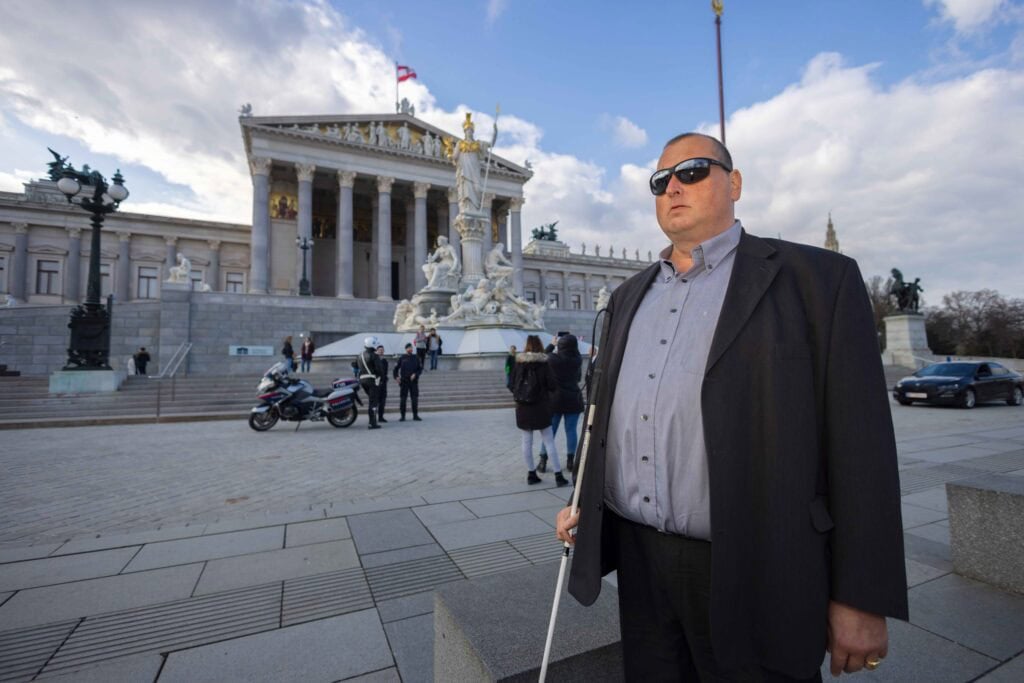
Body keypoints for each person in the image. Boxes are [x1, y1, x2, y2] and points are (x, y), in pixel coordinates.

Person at [555, 132, 907, 680]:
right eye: (660, 181)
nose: (673, 186)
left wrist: (861, 596)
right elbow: (606, 416)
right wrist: (586, 498)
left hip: (758, 563)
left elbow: (862, 450)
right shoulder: (627, 297)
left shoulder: (817, 281)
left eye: (692, 171)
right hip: (641, 565)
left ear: (734, 182)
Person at [510, 335, 567, 487]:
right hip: (541, 406)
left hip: (523, 407)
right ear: (540, 345)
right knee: (549, 441)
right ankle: (558, 475)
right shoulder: (544, 363)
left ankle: (531, 474)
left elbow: (510, 384)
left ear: (527, 346)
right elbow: (552, 385)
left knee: (526, 441)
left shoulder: (519, 363)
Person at [546, 333, 584, 475]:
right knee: (571, 431)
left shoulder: (554, 359)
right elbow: (579, 377)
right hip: (573, 399)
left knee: (550, 432)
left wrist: (552, 344)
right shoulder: (578, 360)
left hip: (555, 400)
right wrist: (574, 343)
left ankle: (543, 461)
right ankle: (570, 461)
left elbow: (544, 355)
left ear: (560, 346)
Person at [357, 336, 385, 429]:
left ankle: (372, 421)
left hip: (362, 380)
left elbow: (355, 365)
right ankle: (372, 423)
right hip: (372, 380)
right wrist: (382, 378)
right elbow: (379, 369)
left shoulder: (360, 355)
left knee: (371, 400)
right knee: (373, 402)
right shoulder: (374, 355)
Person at [393, 343, 423, 421]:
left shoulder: (416, 357)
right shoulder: (402, 358)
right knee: (403, 399)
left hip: (414, 382)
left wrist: (415, 374)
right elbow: (395, 369)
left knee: (414, 399)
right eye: (409, 348)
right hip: (404, 382)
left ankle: (415, 415)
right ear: (406, 349)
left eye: (411, 348)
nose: (410, 349)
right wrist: (396, 377)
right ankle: (402, 416)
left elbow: (420, 369)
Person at [375, 345, 389, 423]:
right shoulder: (374, 360)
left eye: (382, 350)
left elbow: (385, 372)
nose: (381, 351)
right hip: (376, 383)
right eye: (380, 350)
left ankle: (381, 417)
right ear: (376, 351)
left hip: (383, 383)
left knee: (382, 401)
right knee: (375, 402)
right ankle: (373, 417)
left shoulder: (385, 361)